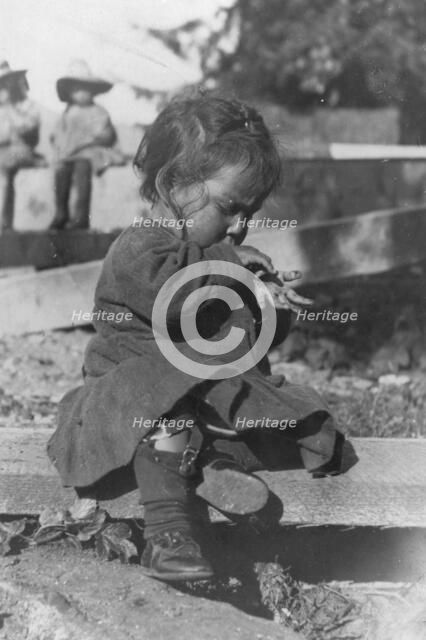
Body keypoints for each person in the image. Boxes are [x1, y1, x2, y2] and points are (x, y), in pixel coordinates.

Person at [47, 96, 345, 582]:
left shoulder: (207, 253)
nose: (241, 225)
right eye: (230, 208)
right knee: (165, 421)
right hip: (133, 385)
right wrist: (234, 267)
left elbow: (232, 332)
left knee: (271, 414)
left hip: (192, 382)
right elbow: (181, 298)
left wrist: (268, 308)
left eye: (250, 213)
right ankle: (169, 535)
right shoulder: (140, 246)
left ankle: (213, 466)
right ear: (175, 183)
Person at [49, 60, 124, 230]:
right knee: (61, 169)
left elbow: (107, 136)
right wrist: (62, 145)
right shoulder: (68, 113)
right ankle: (61, 212)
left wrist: (88, 140)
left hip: (93, 151)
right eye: (76, 90)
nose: (82, 94)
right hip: (70, 153)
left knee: (82, 167)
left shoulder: (98, 112)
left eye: (86, 89)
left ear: (93, 91)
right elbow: (57, 135)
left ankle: (80, 217)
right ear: (70, 93)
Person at [0, 60, 41, 233]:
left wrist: (9, 107)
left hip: (20, 150)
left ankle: (2, 222)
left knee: (2, 168)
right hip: (3, 150)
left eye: (8, 82)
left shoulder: (28, 105)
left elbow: (27, 129)